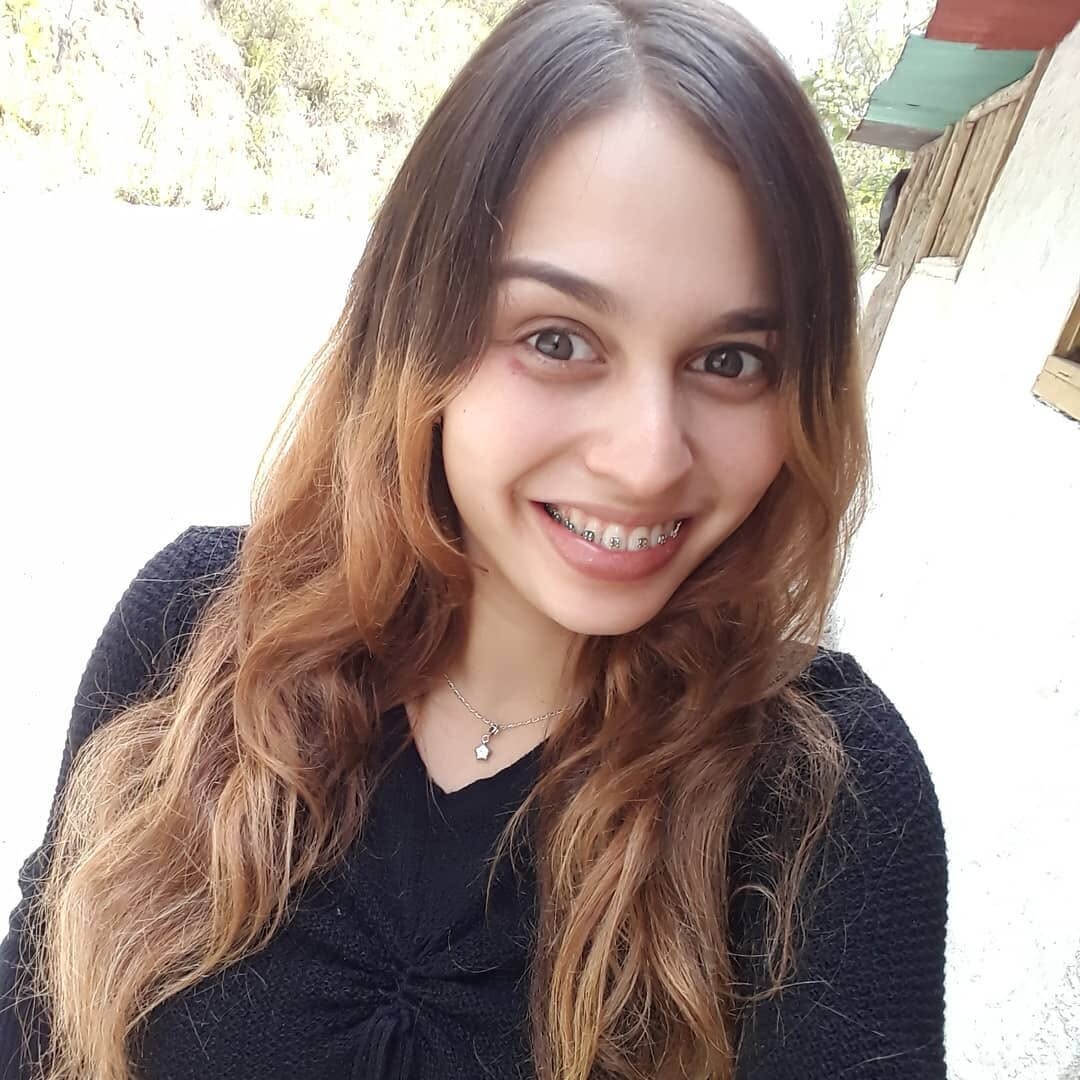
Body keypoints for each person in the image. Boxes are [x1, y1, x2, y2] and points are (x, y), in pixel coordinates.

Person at [0, 1, 948, 1077]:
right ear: (417, 327)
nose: (649, 458)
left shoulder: (822, 797)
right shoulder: (194, 633)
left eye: (730, 362)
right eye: (558, 340)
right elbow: (37, 1012)